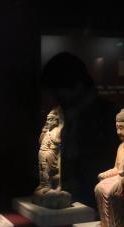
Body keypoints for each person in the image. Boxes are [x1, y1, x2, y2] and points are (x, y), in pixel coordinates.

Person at [40, 52, 117, 207]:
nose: (55, 96)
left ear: (77, 85)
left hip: (98, 201)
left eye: (58, 89)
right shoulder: (62, 114)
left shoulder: (108, 116)